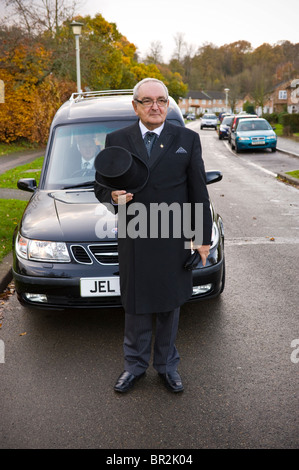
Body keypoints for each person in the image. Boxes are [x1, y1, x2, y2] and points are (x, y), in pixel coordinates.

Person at [94, 78, 212, 393]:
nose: (155, 106)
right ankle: (134, 367)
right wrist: (112, 197)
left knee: (170, 305)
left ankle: (166, 366)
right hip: (134, 234)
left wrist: (201, 237)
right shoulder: (117, 139)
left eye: (161, 99)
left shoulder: (187, 138)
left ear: (169, 104)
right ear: (136, 106)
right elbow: (101, 186)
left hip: (173, 234)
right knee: (135, 306)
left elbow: (199, 193)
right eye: (147, 100)